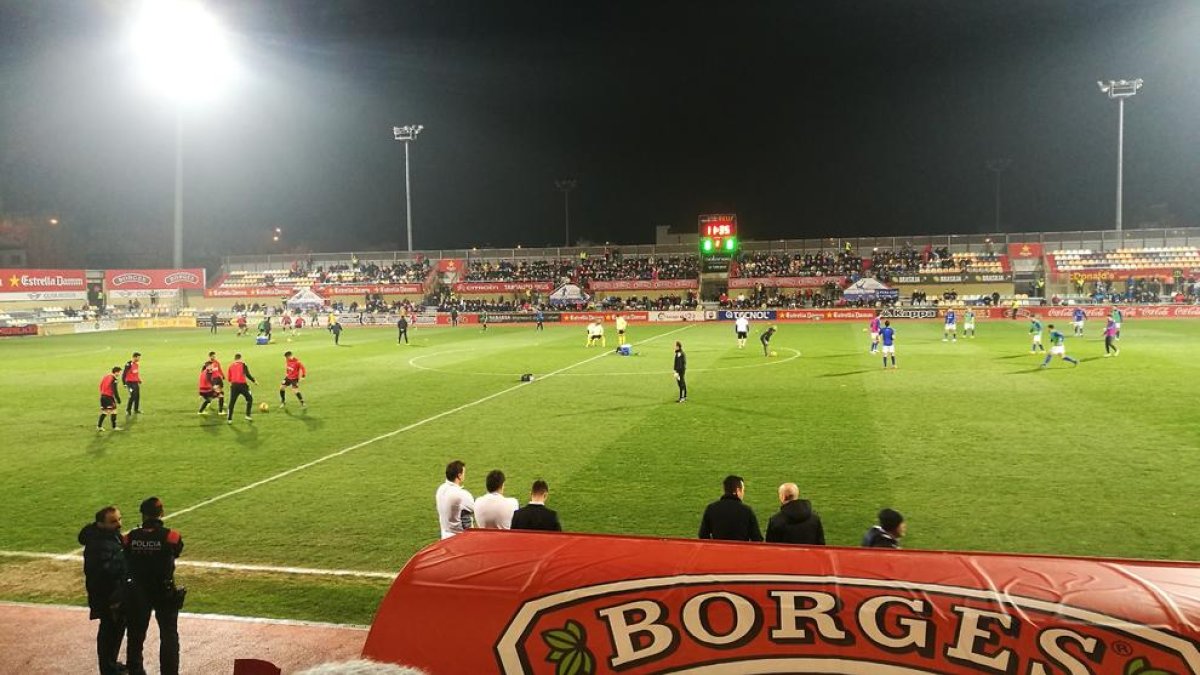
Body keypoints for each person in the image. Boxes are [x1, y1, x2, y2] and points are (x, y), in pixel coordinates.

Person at [124, 497, 184, 675]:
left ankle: (135, 670)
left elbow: (126, 555)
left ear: (142, 514)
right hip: (163, 590)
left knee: (135, 635)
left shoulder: (130, 537)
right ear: (162, 513)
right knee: (169, 635)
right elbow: (177, 550)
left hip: (137, 591)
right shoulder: (171, 536)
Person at [78, 505, 130, 675]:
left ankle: (111, 664)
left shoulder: (109, 536)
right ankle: (108, 668)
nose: (119, 524)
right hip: (108, 595)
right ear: (100, 524)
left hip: (113, 593)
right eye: (114, 521)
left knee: (115, 629)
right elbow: (106, 570)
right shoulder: (98, 544)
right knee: (110, 630)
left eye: (119, 519)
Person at [699, 475, 762, 541]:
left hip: (718, 550)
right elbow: (757, 539)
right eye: (743, 490)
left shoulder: (711, 509)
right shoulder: (747, 511)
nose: (743, 493)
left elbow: (703, 535)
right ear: (737, 490)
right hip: (740, 550)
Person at [435, 460, 474, 538]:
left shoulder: (440, 489)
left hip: (445, 535)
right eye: (463, 473)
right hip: (459, 538)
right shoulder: (462, 494)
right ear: (459, 475)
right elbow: (476, 508)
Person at [226, 353, 257, 423]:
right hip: (243, 386)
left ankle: (229, 419)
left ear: (235, 359)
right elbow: (247, 374)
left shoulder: (230, 366)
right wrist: (254, 381)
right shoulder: (243, 364)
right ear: (240, 358)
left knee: (232, 402)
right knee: (250, 399)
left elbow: (229, 379)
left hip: (234, 386)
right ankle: (247, 415)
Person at [97, 366, 123, 432]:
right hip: (108, 397)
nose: (119, 374)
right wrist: (118, 398)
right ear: (116, 372)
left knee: (105, 411)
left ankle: (99, 426)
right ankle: (114, 427)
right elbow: (115, 390)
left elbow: (100, 385)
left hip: (103, 396)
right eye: (119, 372)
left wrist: (102, 392)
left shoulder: (106, 376)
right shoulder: (114, 379)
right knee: (114, 411)